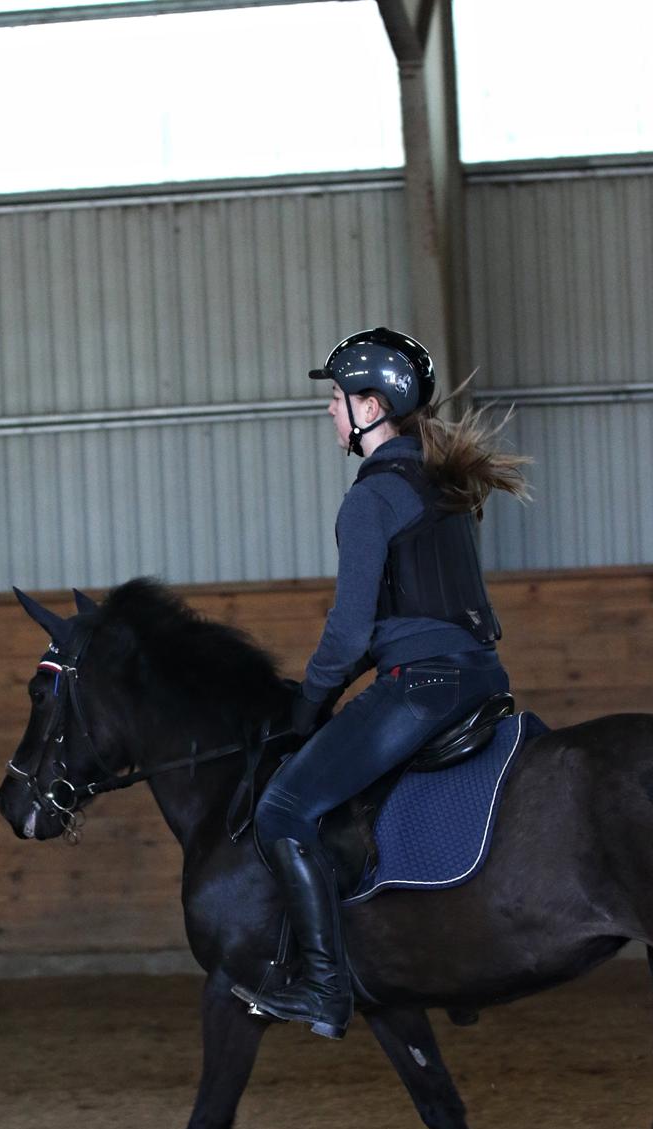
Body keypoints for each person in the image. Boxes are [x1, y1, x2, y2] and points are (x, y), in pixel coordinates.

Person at [234, 327, 530, 1040]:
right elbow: (412, 614)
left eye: (337, 399)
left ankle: (323, 990)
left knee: (283, 809)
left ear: (372, 405)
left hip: (421, 685)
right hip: (476, 675)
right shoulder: (438, 486)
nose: (330, 412)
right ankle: (443, 956)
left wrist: (307, 706)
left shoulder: (371, 499)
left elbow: (348, 632)